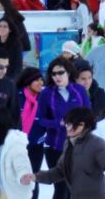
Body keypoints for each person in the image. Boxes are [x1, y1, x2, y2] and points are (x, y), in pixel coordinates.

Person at [33, 106, 105, 199]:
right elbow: (60, 171)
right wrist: (35, 177)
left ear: (82, 125)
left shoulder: (96, 143)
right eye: (66, 123)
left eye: (70, 124)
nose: (67, 127)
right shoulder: (68, 143)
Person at [35, 57, 90, 199]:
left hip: (78, 147)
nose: (57, 76)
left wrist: (80, 124)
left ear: (68, 72)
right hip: (55, 147)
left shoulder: (79, 90)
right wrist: (57, 123)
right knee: (61, 188)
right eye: (53, 74)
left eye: (60, 72)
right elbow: (41, 120)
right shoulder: (46, 93)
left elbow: (89, 115)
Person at [16, 67, 45, 199]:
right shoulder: (17, 96)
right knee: (15, 177)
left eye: (41, 80)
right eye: (37, 80)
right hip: (16, 145)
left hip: (35, 145)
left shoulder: (44, 98)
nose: (41, 83)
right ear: (28, 81)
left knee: (33, 178)